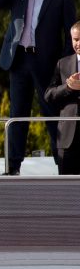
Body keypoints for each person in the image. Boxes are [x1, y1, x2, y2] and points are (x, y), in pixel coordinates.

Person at [0, 0, 76, 175]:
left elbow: (69, 35)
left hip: (47, 64)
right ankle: (13, 167)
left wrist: (63, 66)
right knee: (17, 115)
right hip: (18, 60)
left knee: (53, 115)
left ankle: (63, 166)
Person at [44, 22, 80, 175]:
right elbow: (48, 95)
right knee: (66, 193)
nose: (77, 43)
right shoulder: (63, 63)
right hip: (67, 140)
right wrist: (68, 87)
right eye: (75, 39)